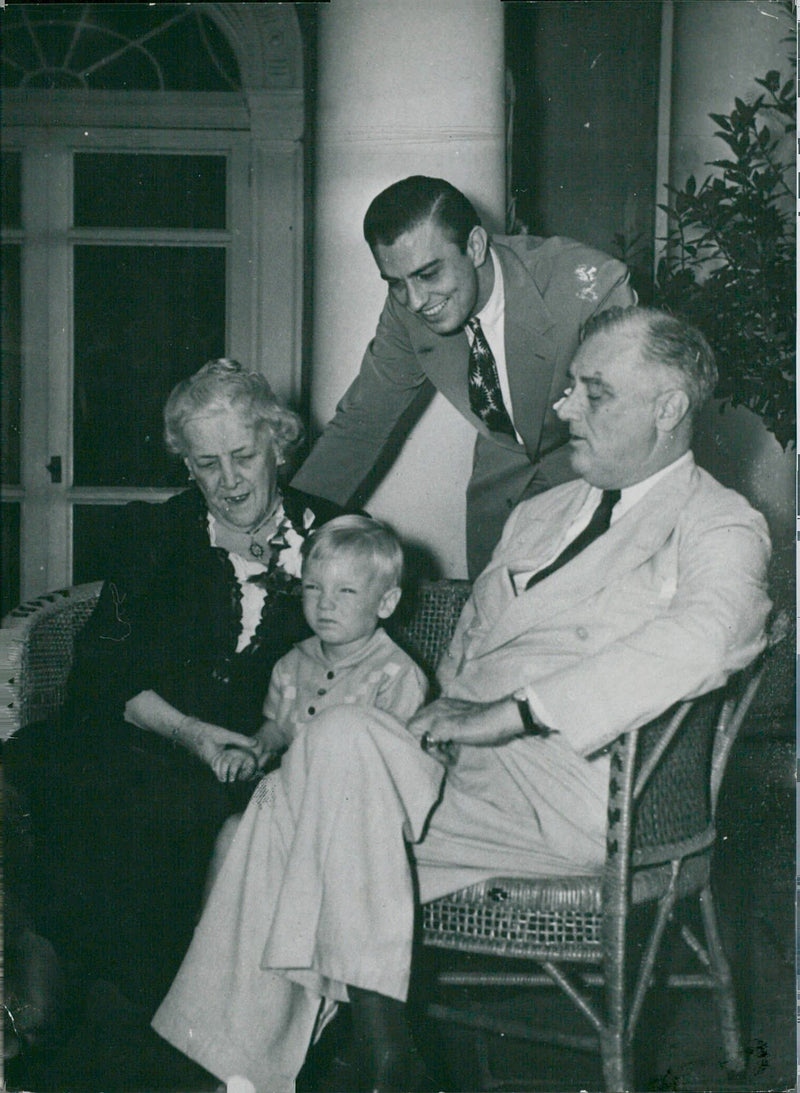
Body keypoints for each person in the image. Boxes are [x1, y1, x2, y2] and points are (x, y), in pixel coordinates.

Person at [152, 308, 772, 1093]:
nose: (562, 408)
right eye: (571, 387)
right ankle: (356, 1062)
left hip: (583, 789)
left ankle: (292, 1064)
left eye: (593, 391)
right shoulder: (543, 513)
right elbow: (466, 648)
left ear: (668, 408)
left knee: (288, 800)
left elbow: (707, 639)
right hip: (459, 772)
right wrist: (428, 721)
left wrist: (514, 714)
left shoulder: (718, 523)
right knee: (312, 767)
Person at [3, 358, 340, 1025]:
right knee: (35, 774)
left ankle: (139, 1013)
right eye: (206, 463)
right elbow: (103, 673)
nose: (230, 480)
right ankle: (39, 968)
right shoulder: (155, 534)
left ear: (278, 442)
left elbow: (351, 667)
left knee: (173, 809)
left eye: (244, 455)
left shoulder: (333, 537)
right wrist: (189, 731)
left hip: (253, 752)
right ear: (186, 465)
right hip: (145, 731)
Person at [291, 175, 637, 577]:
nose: (416, 301)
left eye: (428, 274)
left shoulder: (588, 285)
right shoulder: (406, 309)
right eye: (396, 284)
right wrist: (292, 523)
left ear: (474, 246)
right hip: (501, 489)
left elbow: (623, 423)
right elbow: (364, 422)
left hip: (592, 468)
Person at [207, 514, 428, 862]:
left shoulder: (397, 674)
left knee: (307, 853)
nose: (325, 603)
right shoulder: (291, 663)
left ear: (385, 603)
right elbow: (277, 727)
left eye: (346, 590)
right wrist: (252, 752)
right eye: (313, 587)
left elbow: (397, 767)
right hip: (285, 791)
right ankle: (217, 919)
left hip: (357, 810)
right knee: (234, 831)